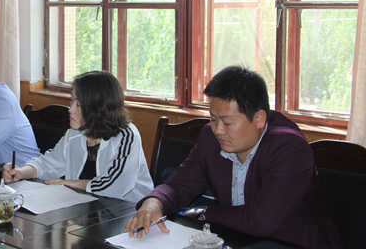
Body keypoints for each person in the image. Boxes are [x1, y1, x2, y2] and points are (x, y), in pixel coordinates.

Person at [124, 66, 342, 249]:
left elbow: (259, 222)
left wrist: (205, 212)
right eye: (213, 119)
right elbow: (178, 186)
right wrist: (154, 203)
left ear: (259, 119)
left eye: (227, 122)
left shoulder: (289, 149)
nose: (218, 130)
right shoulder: (210, 138)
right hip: (237, 240)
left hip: (290, 243)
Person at [2, 70, 153, 202]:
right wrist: (21, 172)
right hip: (86, 207)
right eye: (72, 100)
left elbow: (115, 186)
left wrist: (72, 183)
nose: (71, 109)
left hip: (129, 211)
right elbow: (49, 163)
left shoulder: (126, 135)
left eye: (79, 105)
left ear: (99, 108)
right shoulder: (75, 133)